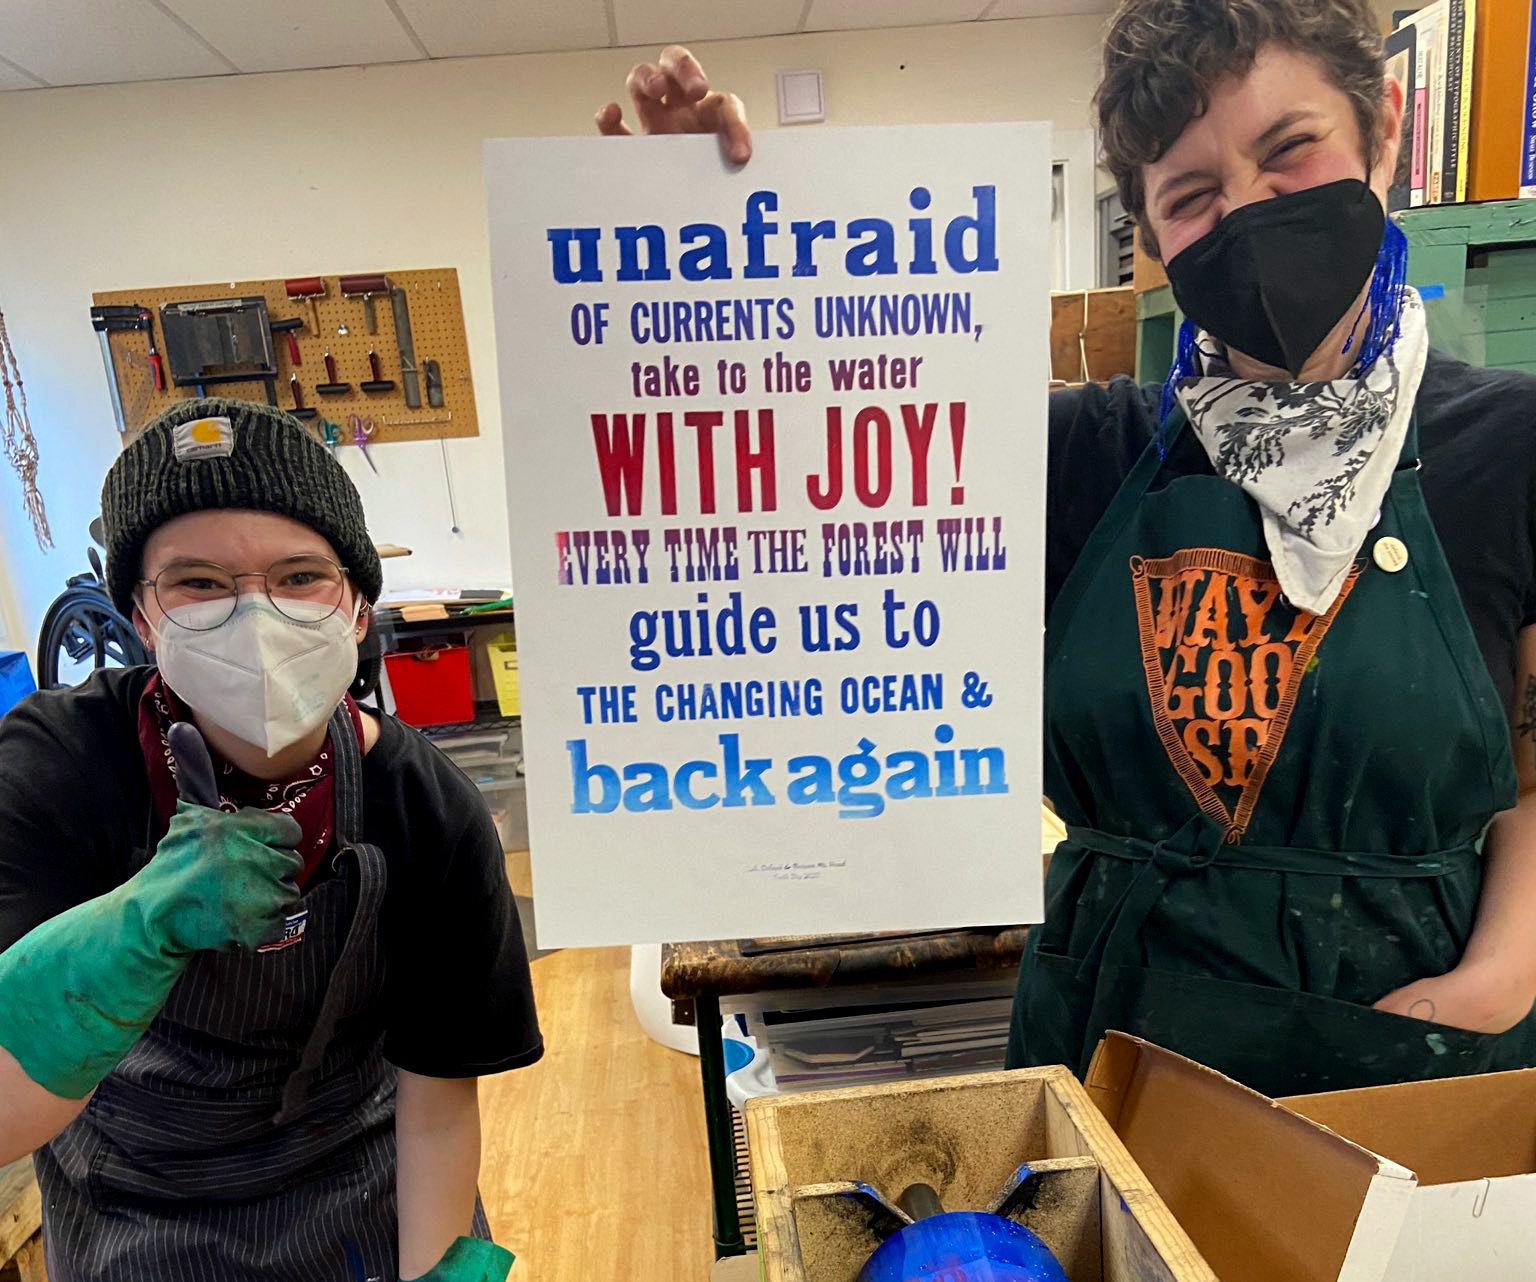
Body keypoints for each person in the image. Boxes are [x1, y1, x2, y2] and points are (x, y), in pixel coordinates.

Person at [599, 1, 1536, 1096]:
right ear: (1150, 236)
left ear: (1382, 137)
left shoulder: (1508, 449)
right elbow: (801, 462)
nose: (1248, 214)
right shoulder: (1086, 452)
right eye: (1191, 196)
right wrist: (694, 244)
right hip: (1110, 1042)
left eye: (1290, 150)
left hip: (1415, 1047)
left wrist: (1499, 977)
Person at [0, 399, 542, 1280]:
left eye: (299, 577)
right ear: (140, 617)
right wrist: (134, 928)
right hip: (133, 1209)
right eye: (199, 584)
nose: (257, 619)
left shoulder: (424, 808)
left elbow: (437, 1104)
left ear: (358, 608)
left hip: (360, 1195)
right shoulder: (58, 770)